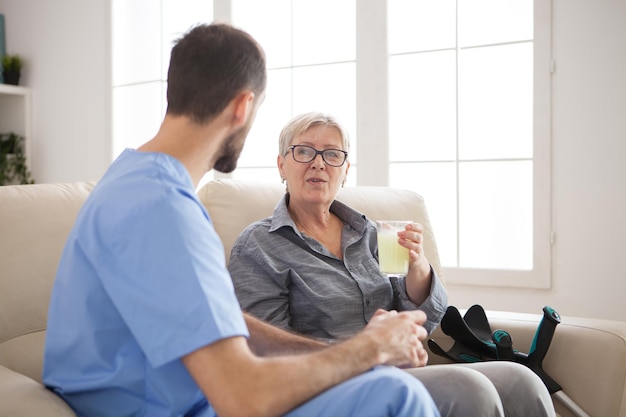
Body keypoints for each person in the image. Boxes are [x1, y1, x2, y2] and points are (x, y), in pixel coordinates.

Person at [42, 25, 441, 417]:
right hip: (171, 406)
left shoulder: (135, 180)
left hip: (168, 395)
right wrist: (367, 351)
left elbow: (219, 322)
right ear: (242, 107)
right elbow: (242, 397)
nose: (318, 163)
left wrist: (353, 351)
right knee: (399, 395)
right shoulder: (164, 210)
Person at [227, 111, 557, 417]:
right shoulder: (259, 245)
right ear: (282, 165)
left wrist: (418, 267)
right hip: (327, 386)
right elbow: (266, 352)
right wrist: (367, 349)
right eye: (304, 151)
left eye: (332, 154)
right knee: (470, 389)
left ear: (345, 170)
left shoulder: (371, 235)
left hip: (399, 372)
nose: (318, 163)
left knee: (521, 379)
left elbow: (422, 326)